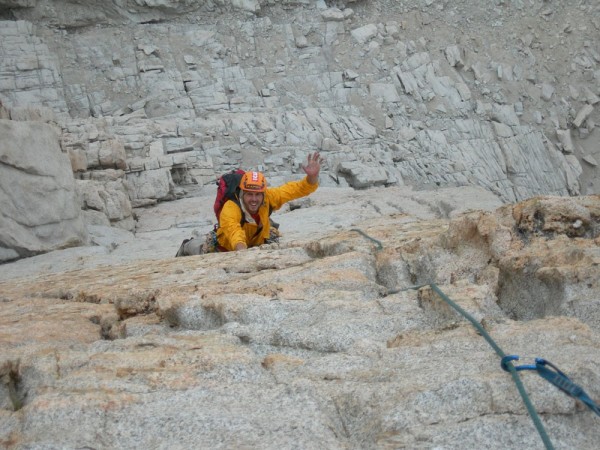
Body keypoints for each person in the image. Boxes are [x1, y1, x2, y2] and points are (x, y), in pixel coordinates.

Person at [175, 152, 324, 256]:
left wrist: (312, 177)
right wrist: (244, 253)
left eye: (258, 194)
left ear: (263, 193)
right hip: (225, 248)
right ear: (242, 192)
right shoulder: (231, 208)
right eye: (249, 194)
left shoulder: (268, 197)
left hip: (255, 243)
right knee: (197, 248)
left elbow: (295, 189)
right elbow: (235, 233)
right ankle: (187, 245)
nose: (254, 199)